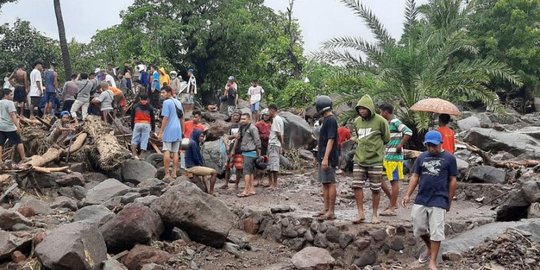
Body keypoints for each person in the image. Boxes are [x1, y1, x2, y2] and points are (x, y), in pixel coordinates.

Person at [402, 131, 458, 270]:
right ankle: (429, 247)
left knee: (436, 231)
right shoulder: (422, 157)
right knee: (419, 227)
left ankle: (432, 261)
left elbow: (453, 181)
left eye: (433, 145)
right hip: (422, 197)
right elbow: (415, 176)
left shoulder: (449, 158)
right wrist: (408, 194)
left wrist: (448, 201)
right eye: (428, 145)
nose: (431, 148)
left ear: (440, 143)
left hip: (439, 198)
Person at [352, 94, 390, 224]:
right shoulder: (356, 122)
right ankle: (360, 213)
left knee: (375, 188)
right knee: (357, 185)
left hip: (375, 160)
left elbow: (386, 138)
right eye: (360, 108)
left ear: (370, 108)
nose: (362, 111)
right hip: (359, 159)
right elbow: (357, 136)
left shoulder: (381, 121)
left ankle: (374, 214)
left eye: (364, 108)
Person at [378, 103, 413, 216]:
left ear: (385, 112)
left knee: (394, 181)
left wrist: (400, 145)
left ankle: (392, 207)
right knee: (379, 178)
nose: (380, 114)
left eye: (380, 112)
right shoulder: (388, 123)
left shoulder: (395, 122)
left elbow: (408, 132)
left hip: (394, 157)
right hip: (387, 156)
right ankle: (392, 201)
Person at [313, 96, 339, 221]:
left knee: (330, 183)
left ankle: (331, 211)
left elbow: (331, 139)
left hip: (327, 157)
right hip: (323, 155)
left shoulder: (331, 120)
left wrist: (326, 158)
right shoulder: (327, 120)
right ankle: (325, 208)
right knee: (325, 183)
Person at [158, 85, 183, 179]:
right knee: (176, 152)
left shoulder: (166, 102)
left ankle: (167, 173)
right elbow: (182, 118)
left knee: (167, 150)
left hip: (169, 129)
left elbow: (165, 117)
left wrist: (161, 131)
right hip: (177, 129)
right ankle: (174, 173)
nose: (162, 94)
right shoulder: (178, 102)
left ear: (169, 93)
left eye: (163, 92)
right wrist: (182, 130)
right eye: (161, 92)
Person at [185, 128, 218, 195]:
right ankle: (211, 191)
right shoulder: (193, 144)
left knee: (205, 175)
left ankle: (207, 190)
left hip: (190, 165)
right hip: (192, 167)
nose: (202, 138)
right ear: (197, 136)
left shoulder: (192, 142)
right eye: (201, 136)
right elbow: (196, 158)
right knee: (214, 172)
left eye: (203, 136)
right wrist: (201, 164)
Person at [237, 113, 261, 197]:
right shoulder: (243, 128)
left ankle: (245, 190)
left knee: (246, 172)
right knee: (250, 172)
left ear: (249, 119)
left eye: (244, 119)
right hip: (246, 152)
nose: (242, 120)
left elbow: (257, 140)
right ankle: (251, 189)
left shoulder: (252, 128)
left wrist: (259, 153)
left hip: (250, 152)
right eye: (241, 119)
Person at [0, 89, 25, 163]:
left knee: (0, 143)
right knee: (18, 141)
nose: (12, 96)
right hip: (9, 127)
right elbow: (13, 115)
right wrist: (18, 126)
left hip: (1, 126)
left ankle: (0, 161)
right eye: (11, 95)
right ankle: (23, 158)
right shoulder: (10, 103)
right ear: (6, 95)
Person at [221, 111, 242, 189]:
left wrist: (231, 137)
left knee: (238, 167)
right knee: (227, 167)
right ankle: (226, 183)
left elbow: (238, 137)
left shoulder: (241, 125)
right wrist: (232, 136)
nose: (235, 117)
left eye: (237, 115)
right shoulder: (231, 126)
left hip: (239, 149)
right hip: (230, 148)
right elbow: (226, 136)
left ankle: (236, 184)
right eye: (234, 115)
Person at [130, 94, 155, 160]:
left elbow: (132, 118)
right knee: (144, 140)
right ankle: (142, 156)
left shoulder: (135, 106)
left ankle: (134, 154)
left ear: (140, 98)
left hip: (137, 124)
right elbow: (153, 119)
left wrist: (132, 127)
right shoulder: (150, 107)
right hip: (146, 125)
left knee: (134, 139)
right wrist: (153, 129)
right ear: (147, 99)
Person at [267, 104, 284, 190]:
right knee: (272, 163)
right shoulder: (277, 119)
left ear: (272, 110)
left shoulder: (276, 119)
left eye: (269, 111)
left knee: (274, 164)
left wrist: (281, 142)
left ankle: (274, 184)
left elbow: (278, 133)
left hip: (274, 143)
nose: (268, 113)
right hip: (275, 143)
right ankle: (272, 183)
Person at [254, 108, 272, 186]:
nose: (266, 117)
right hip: (259, 145)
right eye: (265, 115)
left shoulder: (271, 125)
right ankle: (257, 180)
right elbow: (255, 135)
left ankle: (262, 180)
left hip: (267, 145)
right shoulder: (258, 124)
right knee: (258, 162)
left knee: (265, 162)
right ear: (262, 115)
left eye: (268, 115)